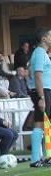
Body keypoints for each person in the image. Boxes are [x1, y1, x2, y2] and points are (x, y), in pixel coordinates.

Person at [27, 27, 51, 165]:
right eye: (50, 35)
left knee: (44, 123)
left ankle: (45, 156)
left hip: (45, 90)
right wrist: (41, 97)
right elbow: (38, 75)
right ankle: (36, 158)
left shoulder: (42, 53)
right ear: (44, 38)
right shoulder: (40, 53)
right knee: (41, 122)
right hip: (43, 91)